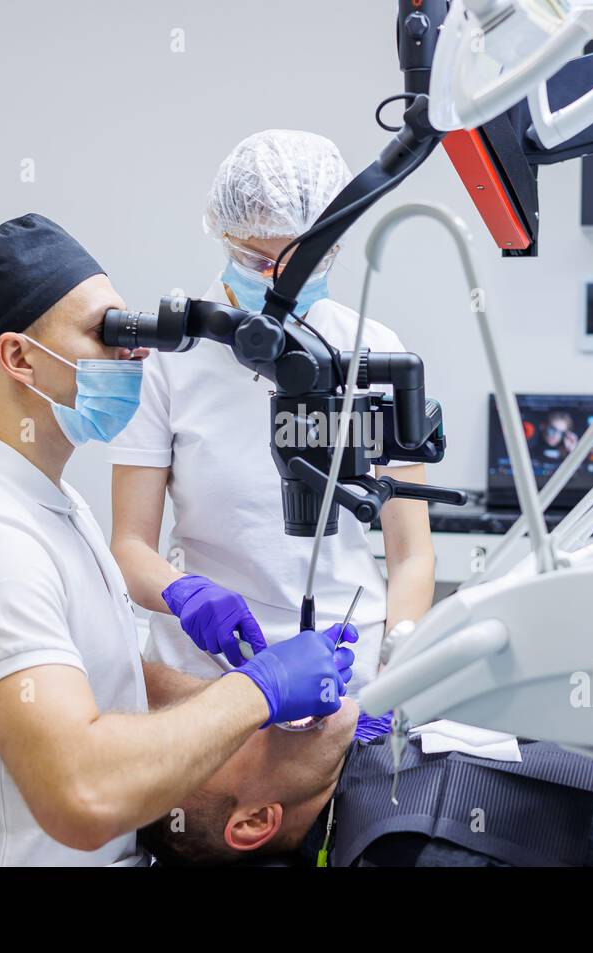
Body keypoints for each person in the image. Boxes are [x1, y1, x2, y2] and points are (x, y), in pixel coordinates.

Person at [0, 213, 356, 866]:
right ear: (19, 357)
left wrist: (276, 715)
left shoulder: (48, 501)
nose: (136, 350)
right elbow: (82, 795)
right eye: (108, 331)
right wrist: (259, 691)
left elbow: (104, 684)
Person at [108, 130, 434, 690]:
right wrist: (183, 593)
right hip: (208, 668)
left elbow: (411, 554)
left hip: (349, 660)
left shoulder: (372, 347)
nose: (281, 281)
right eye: (259, 260)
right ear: (225, 234)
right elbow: (129, 546)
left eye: (308, 258)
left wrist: (396, 668)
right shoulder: (170, 359)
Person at [138, 700, 593, 867]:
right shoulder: (409, 852)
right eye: (237, 732)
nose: (263, 706)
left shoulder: (382, 758)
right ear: (253, 823)